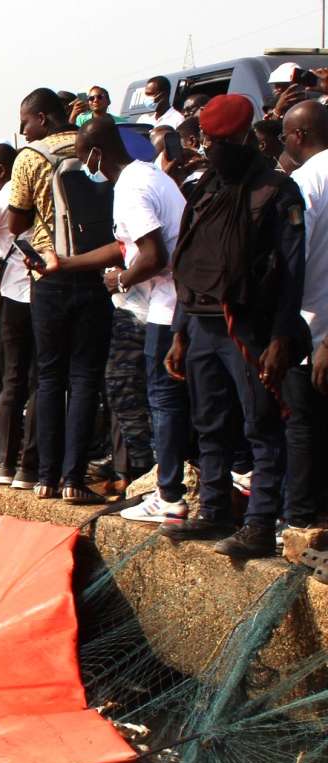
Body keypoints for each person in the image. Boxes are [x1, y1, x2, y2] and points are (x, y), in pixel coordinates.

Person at [163, 94, 309, 557]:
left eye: (222, 140)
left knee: (261, 425)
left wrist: (282, 337)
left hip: (248, 326)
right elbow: (190, 262)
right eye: (209, 140)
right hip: (202, 324)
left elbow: (291, 271)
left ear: (246, 137)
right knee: (209, 423)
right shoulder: (205, 187)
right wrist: (179, 332)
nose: (214, 148)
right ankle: (213, 509)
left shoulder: (276, 191)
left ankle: (261, 523)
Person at [47, 116, 187, 521]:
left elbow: (152, 254)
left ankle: (162, 482)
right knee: (144, 392)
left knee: (142, 393)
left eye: (81, 158)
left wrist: (121, 280)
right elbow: (124, 244)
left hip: (160, 306)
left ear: (95, 153)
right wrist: (69, 263)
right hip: (157, 305)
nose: (83, 167)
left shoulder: (131, 188)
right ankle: (161, 477)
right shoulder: (149, 175)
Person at [10, 87, 110, 504]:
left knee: (50, 377)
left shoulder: (31, 158)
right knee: (86, 378)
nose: (23, 130)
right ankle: (74, 479)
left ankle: (46, 477)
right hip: (93, 271)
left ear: (45, 118)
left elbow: (15, 221)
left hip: (48, 276)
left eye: (27, 121)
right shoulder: (92, 146)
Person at [278, 99, 328, 529]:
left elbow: (296, 258)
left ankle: (300, 517)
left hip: (312, 325)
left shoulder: (306, 181)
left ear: (298, 136)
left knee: (303, 425)